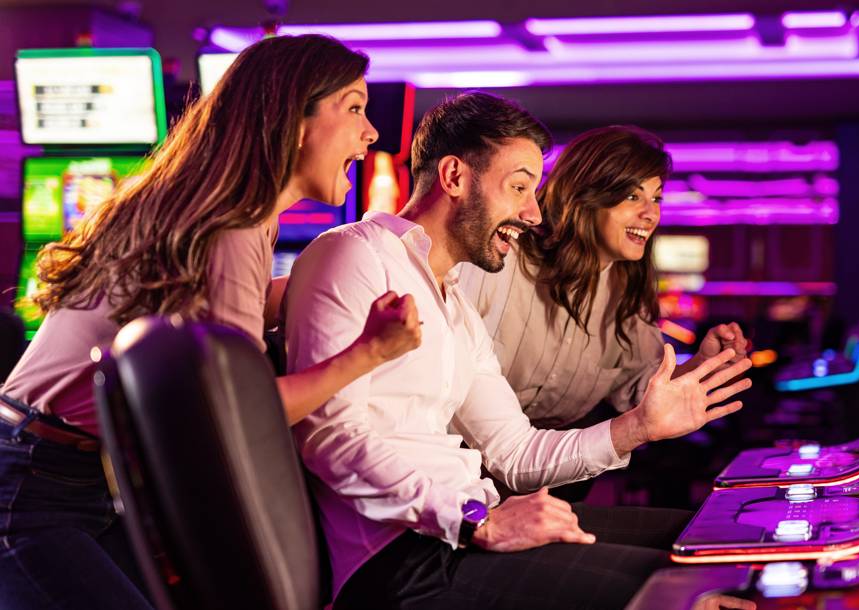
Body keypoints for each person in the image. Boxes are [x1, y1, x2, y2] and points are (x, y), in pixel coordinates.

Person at [284, 91, 755, 610]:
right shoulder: (356, 252)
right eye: (518, 188)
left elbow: (514, 452)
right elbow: (331, 438)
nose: (533, 212)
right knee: (692, 594)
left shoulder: (453, 304)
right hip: (400, 560)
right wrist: (475, 521)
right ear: (455, 177)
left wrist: (639, 426)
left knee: (712, 554)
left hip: (458, 529)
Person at [0, 35, 420, 610]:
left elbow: (218, 320)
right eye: (353, 108)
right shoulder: (234, 228)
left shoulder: (234, 213)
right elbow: (237, 416)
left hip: (79, 471)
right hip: (33, 482)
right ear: (293, 121)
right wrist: (369, 352)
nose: (371, 132)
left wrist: (337, 282)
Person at [458, 126, 748, 501]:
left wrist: (705, 365)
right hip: (458, 479)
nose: (651, 214)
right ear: (585, 197)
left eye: (656, 197)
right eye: (632, 196)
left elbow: (643, 391)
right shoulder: (502, 259)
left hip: (549, 480)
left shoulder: (626, 293)